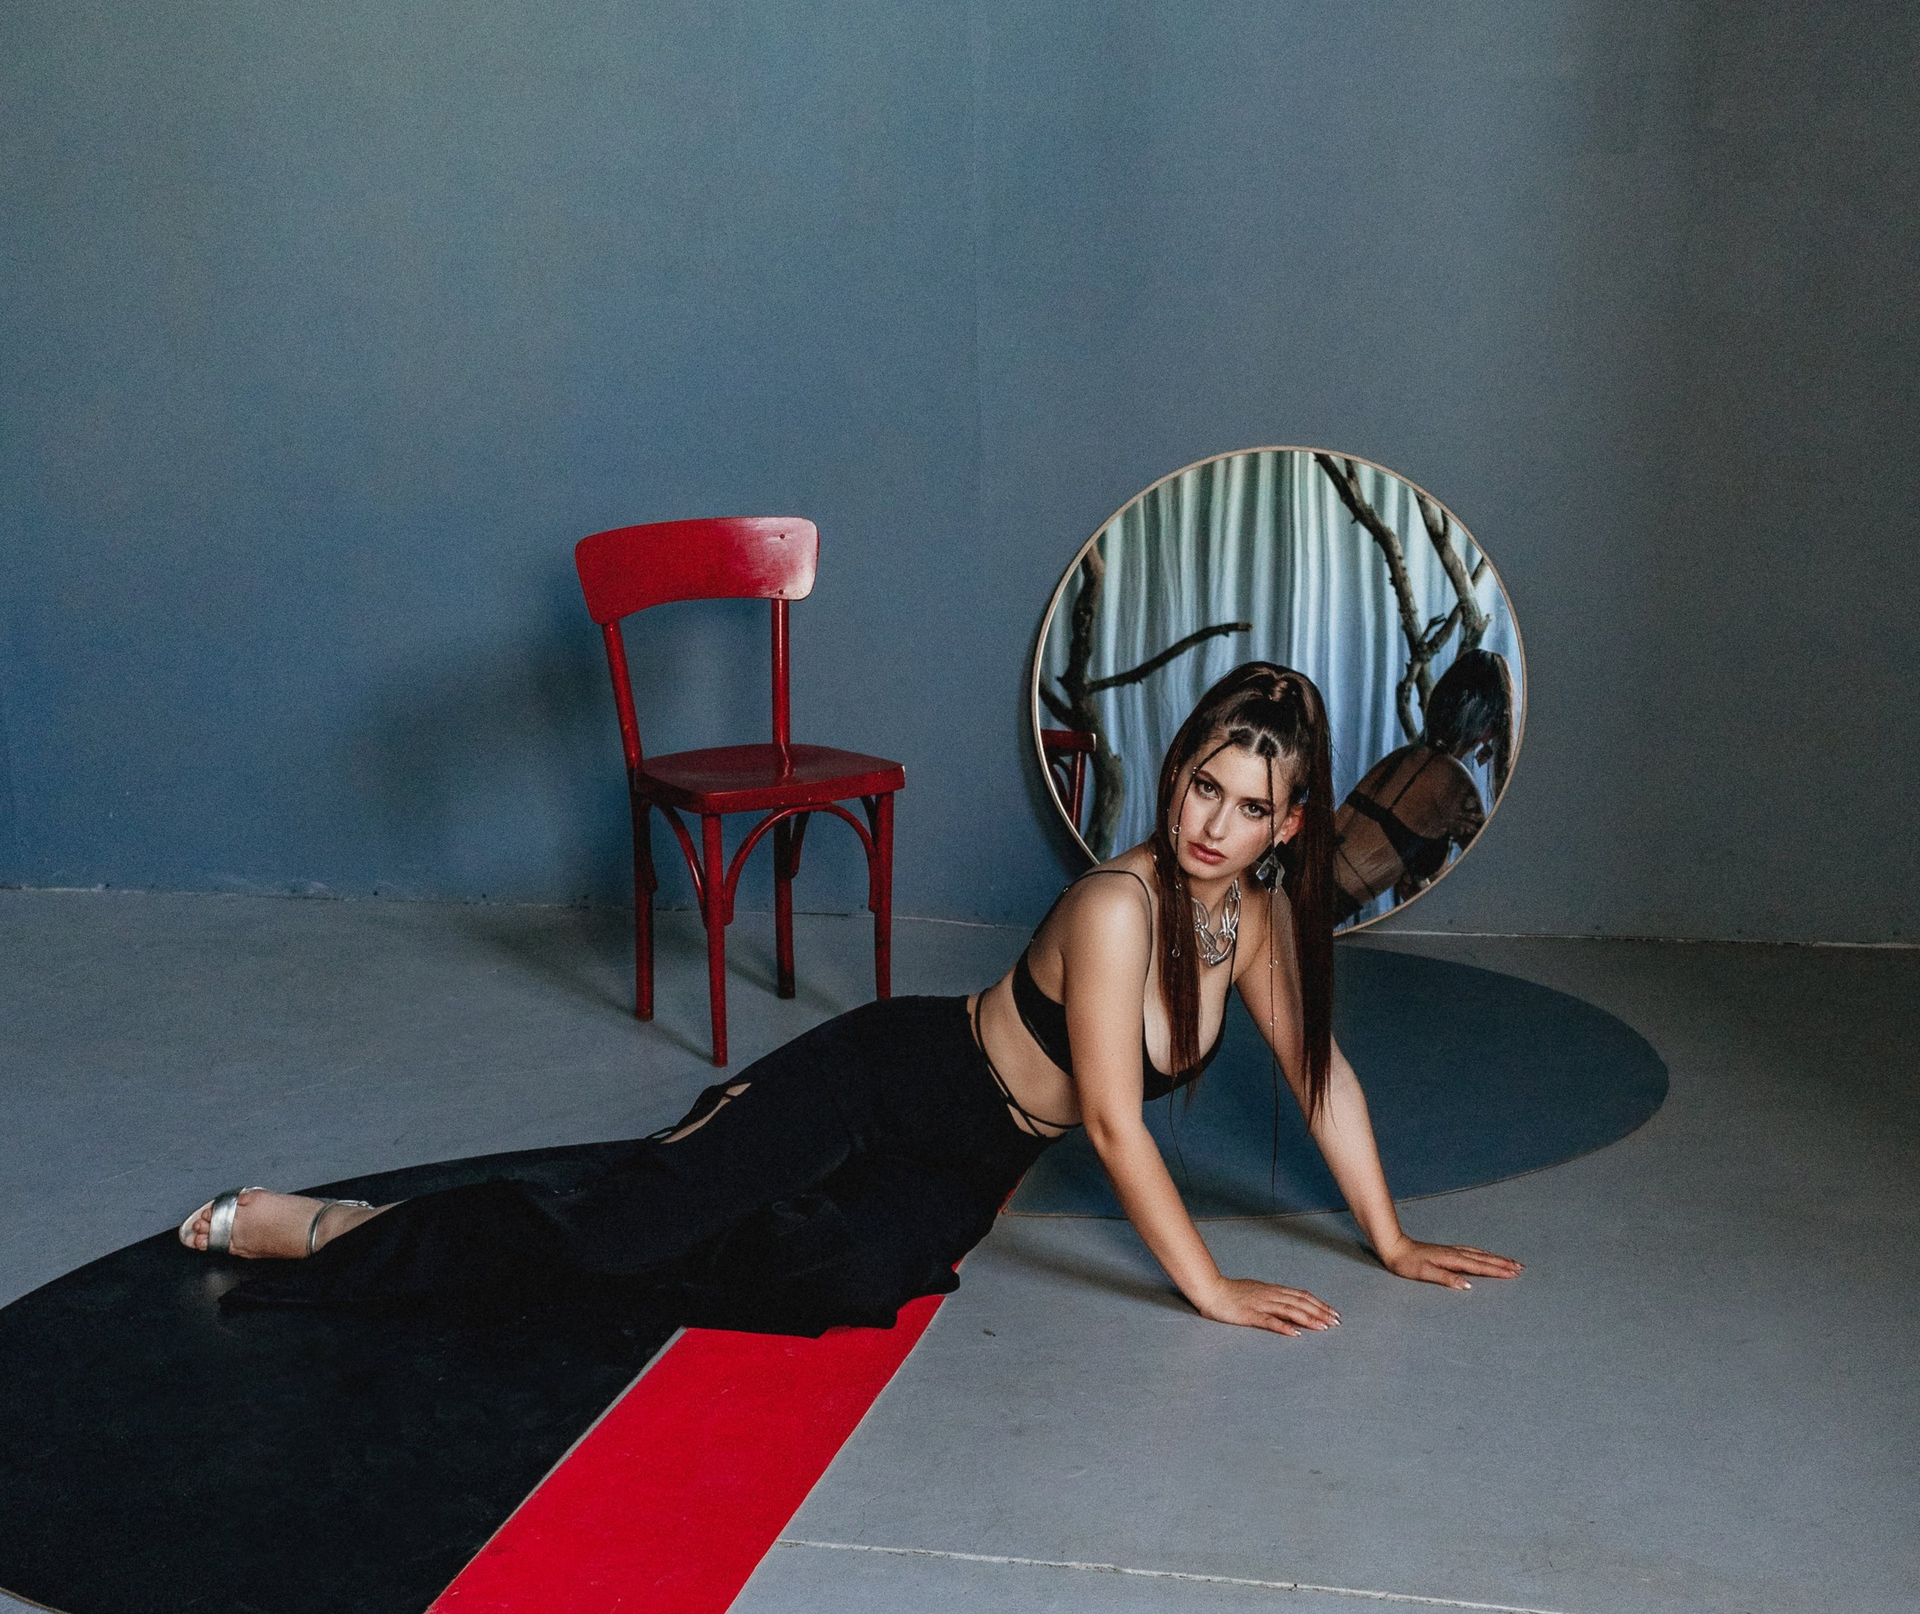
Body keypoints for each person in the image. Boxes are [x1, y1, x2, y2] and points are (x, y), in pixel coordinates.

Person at [179, 662, 1519, 1340]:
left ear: (1292, 822)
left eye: (1250, 805)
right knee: (619, 1234)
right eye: (1203, 786)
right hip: (887, 1081)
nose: (1215, 824)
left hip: (972, 1150)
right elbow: (1114, 1123)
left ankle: (637, 1216)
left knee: (841, 1282)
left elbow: (1322, 1076)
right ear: (1176, 775)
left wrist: (1392, 1238)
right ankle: (343, 1226)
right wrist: (1211, 1287)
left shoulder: (1258, 918)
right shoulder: (1119, 905)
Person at [1331, 648, 1514, 925]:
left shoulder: (1404, 757)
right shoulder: (1453, 780)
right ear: (1488, 727)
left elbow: (1415, 886)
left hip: (1292, 893)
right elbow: (1491, 882)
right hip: (1301, 913)